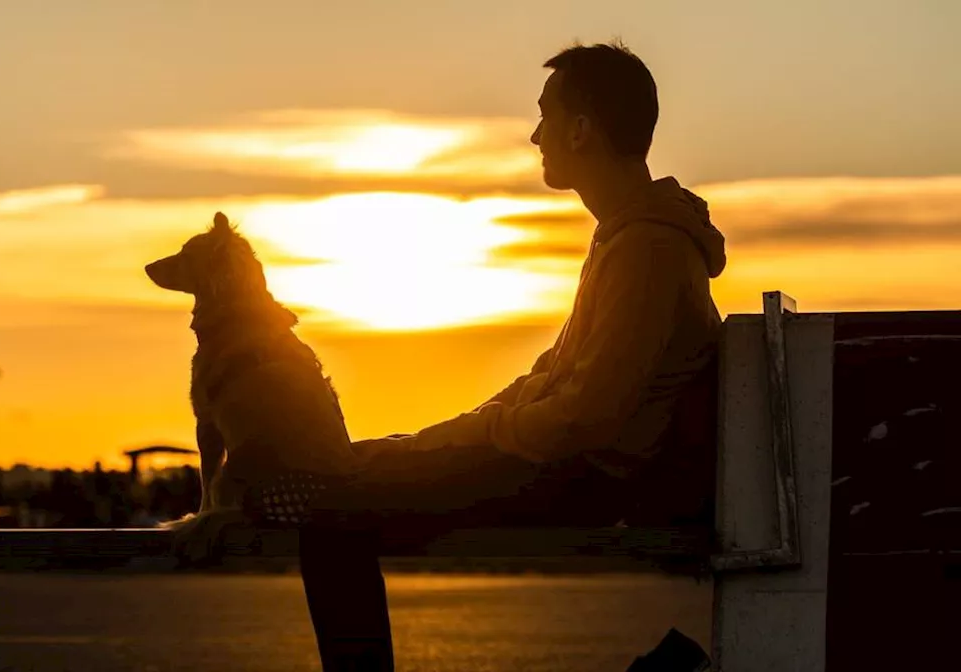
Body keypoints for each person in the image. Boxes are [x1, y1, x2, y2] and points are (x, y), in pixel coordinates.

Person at [295, 41, 727, 671]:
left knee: (332, 512)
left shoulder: (647, 248)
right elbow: (549, 374)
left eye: (545, 117)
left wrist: (482, 436)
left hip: (599, 478)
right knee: (356, 469)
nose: (534, 135)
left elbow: (586, 417)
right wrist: (436, 440)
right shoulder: (627, 235)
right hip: (578, 465)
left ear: (580, 130)